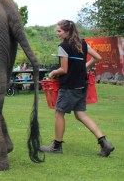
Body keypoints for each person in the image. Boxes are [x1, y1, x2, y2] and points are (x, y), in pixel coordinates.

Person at [40, 20, 114, 157]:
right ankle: (105, 143)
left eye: (59, 31)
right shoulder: (82, 43)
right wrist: (85, 66)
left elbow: (64, 69)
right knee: (80, 114)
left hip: (69, 86)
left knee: (59, 113)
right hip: (81, 85)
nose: (57, 33)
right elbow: (97, 57)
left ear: (67, 32)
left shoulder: (63, 46)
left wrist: (53, 73)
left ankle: (56, 146)